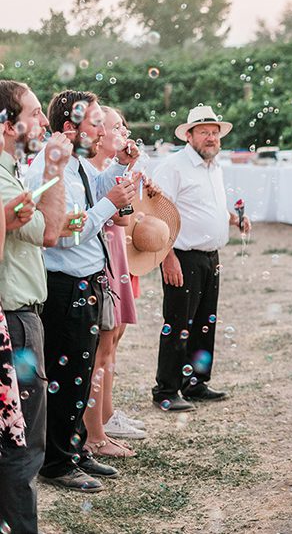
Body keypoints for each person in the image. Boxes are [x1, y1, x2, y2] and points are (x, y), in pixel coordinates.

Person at [25, 90, 138, 489]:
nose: (104, 129)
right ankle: (56, 463)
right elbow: (66, 233)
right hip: (63, 286)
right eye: (95, 123)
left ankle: (75, 449)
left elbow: (99, 185)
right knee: (66, 371)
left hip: (87, 281)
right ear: (70, 128)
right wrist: (110, 203)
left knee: (80, 373)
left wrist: (121, 168)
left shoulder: (76, 164)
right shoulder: (49, 169)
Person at [0, 82, 77, 521]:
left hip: (19, 317)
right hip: (13, 323)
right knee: (22, 442)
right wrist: (56, 166)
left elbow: (55, 225)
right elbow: (51, 231)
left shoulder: (9, 173)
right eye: (33, 112)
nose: (44, 122)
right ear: (8, 125)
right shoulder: (0, 177)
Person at [151, 105, 249, 412]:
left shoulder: (213, 165)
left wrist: (233, 219)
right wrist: (167, 257)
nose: (210, 138)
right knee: (179, 323)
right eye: (204, 132)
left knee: (205, 322)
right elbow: (157, 214)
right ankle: (166, 389)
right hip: (182, 256)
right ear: (189, 135)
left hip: (210, 257)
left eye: (214, 132)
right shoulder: (174, 166)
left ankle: (195, 382)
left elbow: (208, 207)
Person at [82, 106, 147, 458]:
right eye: (115, 126)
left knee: (112, 342)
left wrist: (131, 182)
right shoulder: (92, 172)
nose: (123, 131)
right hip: (100, 257)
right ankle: (96, 427)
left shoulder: (111, 171)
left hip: (113, 256)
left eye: (124, 124)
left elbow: (124, 217)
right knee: (101, 347)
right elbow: (118, 220)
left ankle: (104, 417)